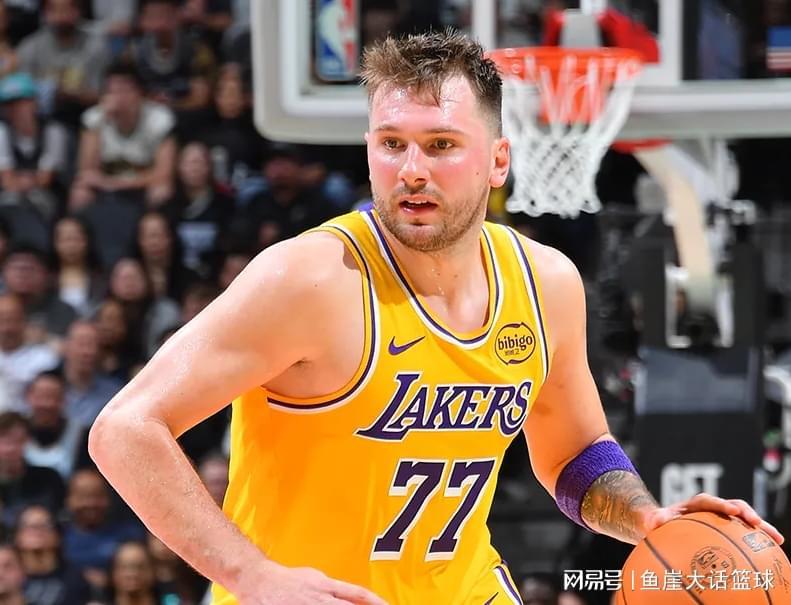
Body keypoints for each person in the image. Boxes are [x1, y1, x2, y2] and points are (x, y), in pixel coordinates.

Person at [88, 31, 784, 605]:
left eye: (441, 144)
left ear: (498, 161)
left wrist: (645, 517)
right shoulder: (309, 279)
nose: (411, 169)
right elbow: (124, 429)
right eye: (391, 143)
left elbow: (573, 451)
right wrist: (252, 576)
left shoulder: (545, 284)